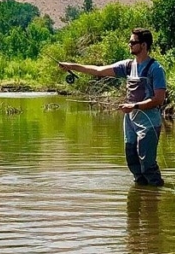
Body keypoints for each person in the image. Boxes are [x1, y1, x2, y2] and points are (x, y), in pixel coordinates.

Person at [59, 28, 166, 186]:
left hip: (149, 123)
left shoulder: (156, 69)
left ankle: (156, 196)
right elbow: (98, 70)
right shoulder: (127, 66)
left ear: (143, 45)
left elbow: (159, 99)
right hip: (130, 122)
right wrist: (72, 66)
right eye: (129, 41)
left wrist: (134, 105)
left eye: (133, 42)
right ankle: (142, 197)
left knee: (147, 164)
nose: (129, 44)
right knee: (133, 162)